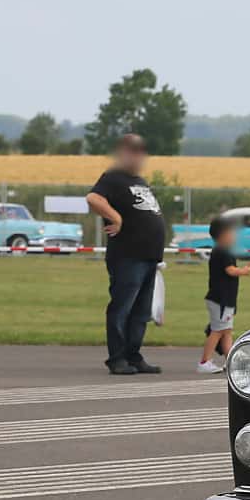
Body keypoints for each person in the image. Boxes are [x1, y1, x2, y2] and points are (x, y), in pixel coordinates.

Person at [85, 134, 166, 375]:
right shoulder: (113, 178)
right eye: (134, 150)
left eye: (142, 151)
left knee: (141, 312)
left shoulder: (139, 180)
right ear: (123, 152)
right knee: (123, 308)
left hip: (148, 256)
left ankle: (133, 355)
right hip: (128, 256)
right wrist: (116, 217)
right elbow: (93, 198)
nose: (139, 156)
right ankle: (117, 358)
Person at [198, 218, 250, 373]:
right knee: (218, 331)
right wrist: (244, 271)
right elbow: (230, 270)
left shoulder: (223, 251)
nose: (234, 236)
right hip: (220, 300)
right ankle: (204, 362)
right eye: (231, 232)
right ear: (223, 235)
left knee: (226, 331)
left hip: (225, 300)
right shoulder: (222, 251)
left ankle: (230, 360)